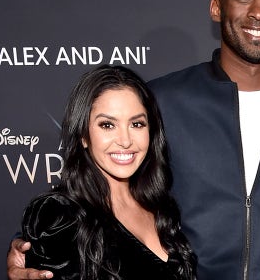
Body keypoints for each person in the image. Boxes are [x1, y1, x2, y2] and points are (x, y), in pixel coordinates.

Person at [6, 0, 260, 279]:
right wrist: (39, 251)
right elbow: (96, 191)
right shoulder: (158, 101)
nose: (259, 12)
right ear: (216, 8)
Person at [18, 65, 196, 279]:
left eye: (137, 124)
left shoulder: (162, 206)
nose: (125, 140)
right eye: (107, 125)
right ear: (84, 135)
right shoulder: (59, 215)